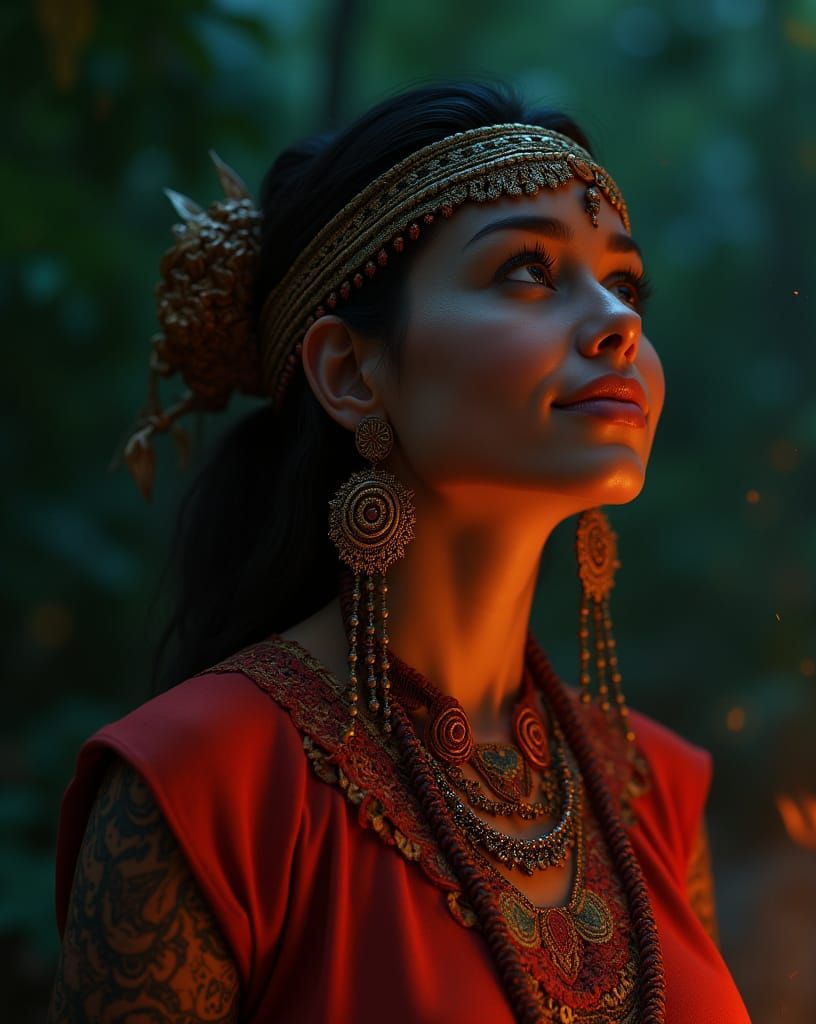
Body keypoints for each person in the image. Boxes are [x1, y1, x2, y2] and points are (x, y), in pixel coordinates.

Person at [47, 80, 751, 1023]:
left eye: (624, 284)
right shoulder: (204, 786)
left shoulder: (652, 787)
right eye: (528, 273)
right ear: (349, 371)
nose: (618, 323)